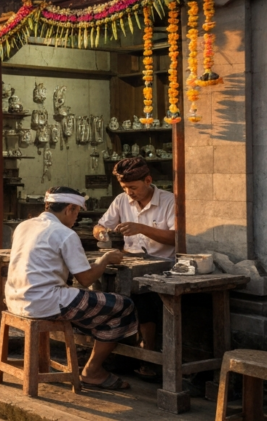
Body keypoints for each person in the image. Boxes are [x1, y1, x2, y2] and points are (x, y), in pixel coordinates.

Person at [5, 186, 138, 390]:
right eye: (77, 212)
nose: (76, 218)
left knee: (90, 302)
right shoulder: (65, 233)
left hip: (15, 299)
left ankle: (90, 352)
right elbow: (85, 279)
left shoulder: (24, 226)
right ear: (69, 209)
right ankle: (93, 371)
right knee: (123, 306)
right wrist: (104, 260)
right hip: (44, 302)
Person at [94, 157, 176, 375]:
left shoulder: (169, 201)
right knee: (105, 293)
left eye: (133, 187)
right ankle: (116, 354)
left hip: (162, 265)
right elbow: (99, 226)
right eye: (124, 187)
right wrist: (103, 233)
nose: (129, 192)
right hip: (130, 261)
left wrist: (142, 228)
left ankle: (148, 355)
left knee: (143, 299)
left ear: (148, 180)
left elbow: (176, 237)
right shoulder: (121, 200)